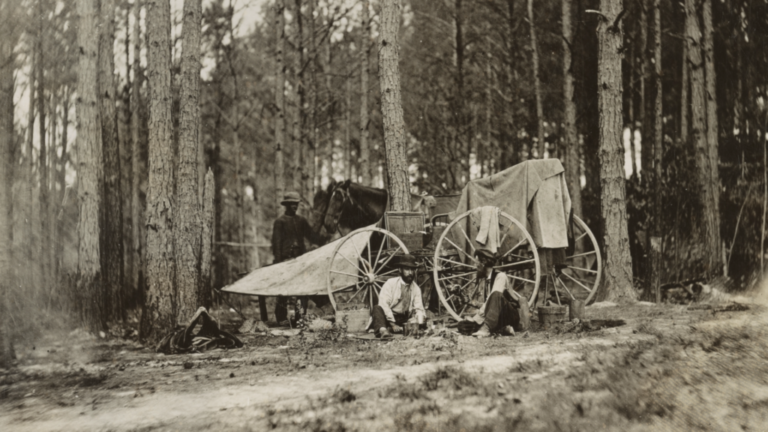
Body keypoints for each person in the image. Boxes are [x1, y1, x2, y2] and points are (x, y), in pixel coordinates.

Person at [271, 191, 328, 324]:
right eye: (292, 204)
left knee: (303, 288)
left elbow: (312, 236)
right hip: (285, 261)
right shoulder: (280, 222)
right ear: (286, 205)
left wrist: (325, 237)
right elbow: (276, 245)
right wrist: (279, 264)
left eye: (296, 204)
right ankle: (281, 318)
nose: (295, 206)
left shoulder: (301, 221)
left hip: (300, 261)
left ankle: (300, 317)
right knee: (283, 289)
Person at [465, 249, 531, 338]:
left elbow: (494, 298)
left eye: (476, 264)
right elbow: (490, 305)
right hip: (496, 316)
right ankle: (502, 329)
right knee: (462, 326)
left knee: (496, 294)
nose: (474, 267)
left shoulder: (500, 276)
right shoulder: (486, 280)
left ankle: (487, 329)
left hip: (509, 315)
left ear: (483, 263)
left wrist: (476, 319)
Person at [372, 254, 426, 339]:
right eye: (407, 269)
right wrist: (393, 324)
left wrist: (418, 319)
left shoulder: (416, 289)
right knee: (377, 308)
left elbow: (419, 308)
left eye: (412, 270)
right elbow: (384, 305)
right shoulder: (390, 283)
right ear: (400, 270)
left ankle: (399, 329)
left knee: (422, 320)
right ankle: (383, 331)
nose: (410, 273)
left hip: (404, 319)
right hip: (389, 317)